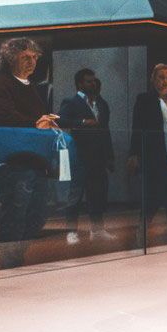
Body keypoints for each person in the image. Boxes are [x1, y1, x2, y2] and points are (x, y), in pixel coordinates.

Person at [0, 37, 58, 268]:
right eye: (25, 57)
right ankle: (9, 262)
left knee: (38, 212)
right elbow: (4, 118)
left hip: (35, 160)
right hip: (14, 162)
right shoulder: (2, 84)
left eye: (34, 57)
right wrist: (35, 123)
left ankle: (17, 257)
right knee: (16, 213)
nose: (32, 62)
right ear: (10, 59)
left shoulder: (33, 88)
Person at [58, 68, 115, 244]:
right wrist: (82, 122)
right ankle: (71, 232)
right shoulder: (71, 102)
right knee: (75, 194)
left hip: (98, 156)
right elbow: (61, 120)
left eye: (94, 80)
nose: (93, 83)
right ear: (80, 84)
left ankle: (97, 229)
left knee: (97, 194)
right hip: (79, 155)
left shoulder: (102, 103)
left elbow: (106, 131)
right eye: (89, 81)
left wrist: (109, 156)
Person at [128, 63, 167, 227]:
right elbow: (137, 128)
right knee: (151, 199)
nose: (164, 81)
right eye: (161, 77)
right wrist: (134, 154)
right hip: (154, 158)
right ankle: (141, 234)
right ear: (153, 79)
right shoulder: (144, 100)